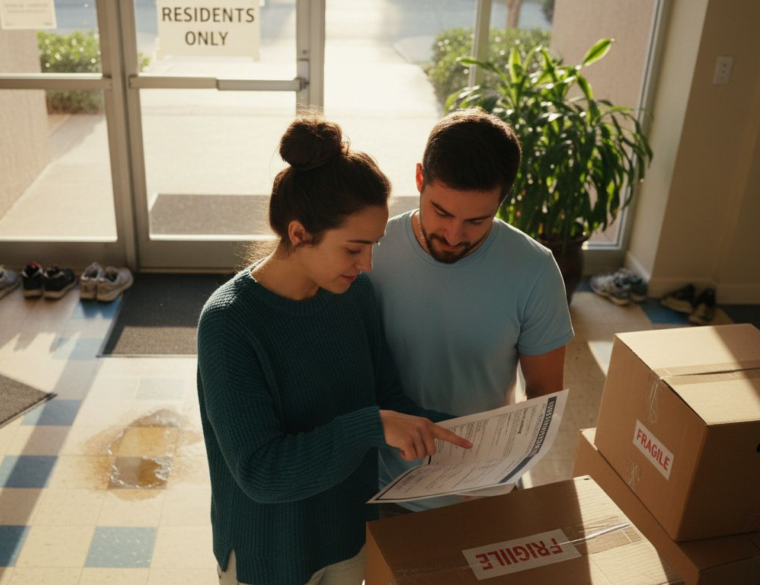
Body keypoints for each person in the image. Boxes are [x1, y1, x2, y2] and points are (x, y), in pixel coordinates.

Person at [197, 115, 472, 585]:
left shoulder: (354, 295)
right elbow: (261, 473)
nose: (366, 265)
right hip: (270, 550)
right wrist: (373, 425)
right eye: (353, 249)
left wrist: (454, 434)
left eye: (374, 246)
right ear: (300, 233)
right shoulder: (229, 323)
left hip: (349, 532)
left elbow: (383, 393)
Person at [370, 108, 575, 513]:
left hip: (483, 487)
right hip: (381, 483)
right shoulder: (371, 249)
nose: (453, 234)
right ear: (418, 179)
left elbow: (544, 397)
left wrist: (502, 468)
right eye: (441, 212)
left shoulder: (534, 270)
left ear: (502, 201)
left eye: (476, 221)